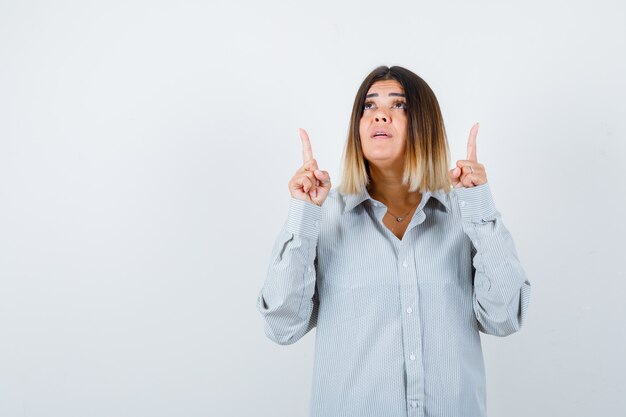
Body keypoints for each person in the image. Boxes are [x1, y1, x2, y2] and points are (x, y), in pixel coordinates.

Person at [256, 65, 531, 417]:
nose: (380, 115)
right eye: (368, 106)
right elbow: (282, 326)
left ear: (425, 125)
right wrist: (303, 215)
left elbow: (505, 318)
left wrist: (479, 205)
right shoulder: (321, 216)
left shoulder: (466, 216)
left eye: (398, 105)